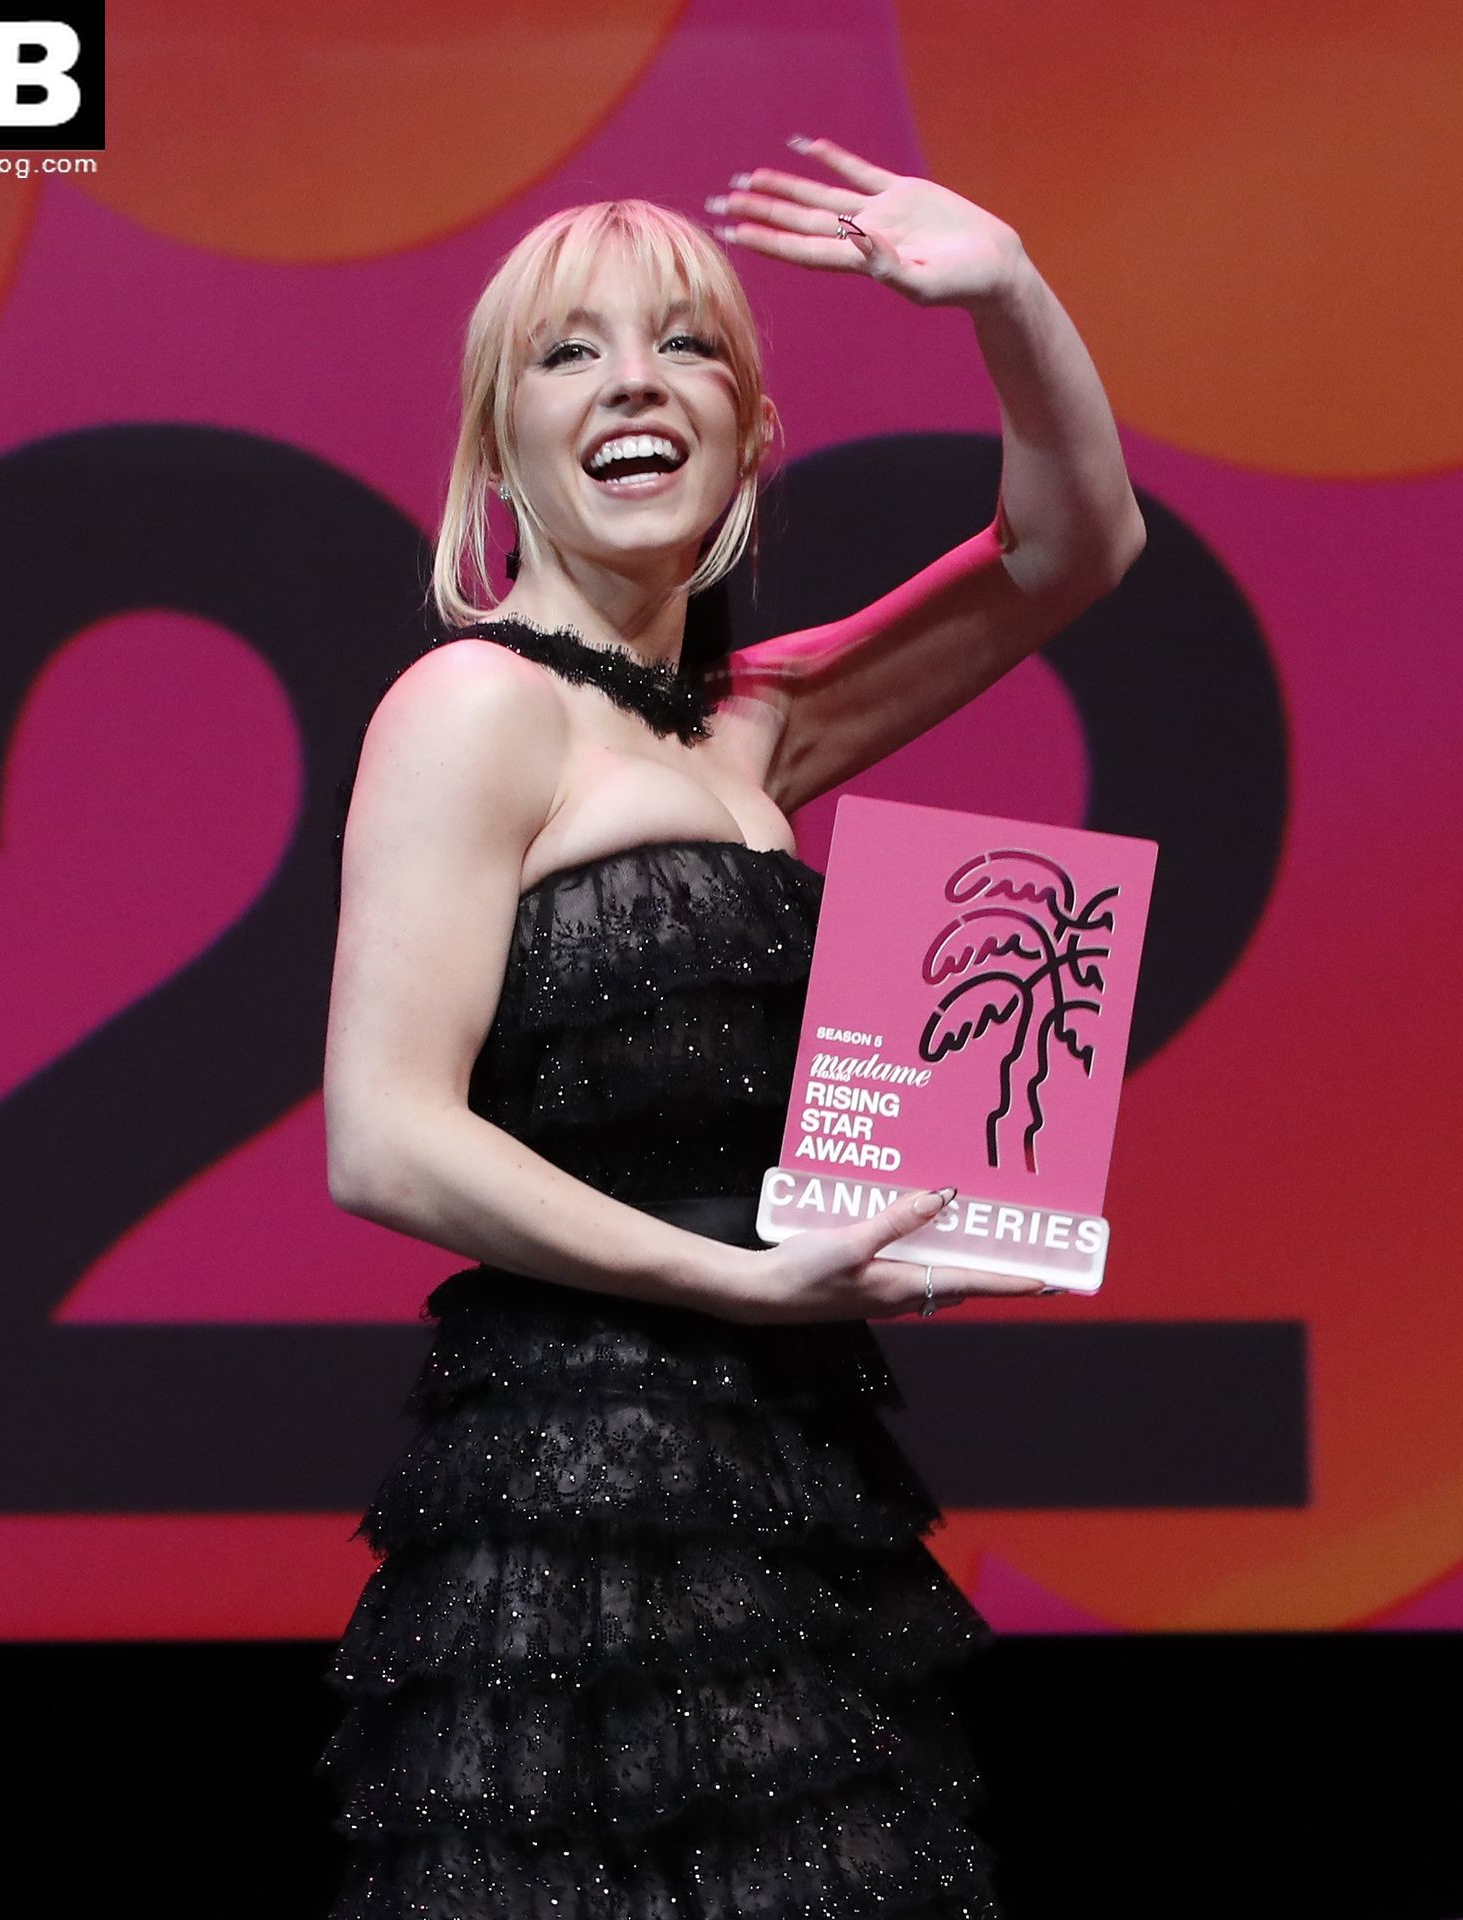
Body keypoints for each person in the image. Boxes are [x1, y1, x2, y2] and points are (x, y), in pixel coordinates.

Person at [321, 135, 1144, 1919]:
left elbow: (1075, 545)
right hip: (582, 1498)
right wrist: (734, 1283)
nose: (633, 381)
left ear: (752, 434)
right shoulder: (475, 708)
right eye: (571, 353)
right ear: (500, 449)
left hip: (786, 1463)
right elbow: (384, 1137)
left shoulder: (752, 723)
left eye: (684, 345)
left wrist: (1008, 288)